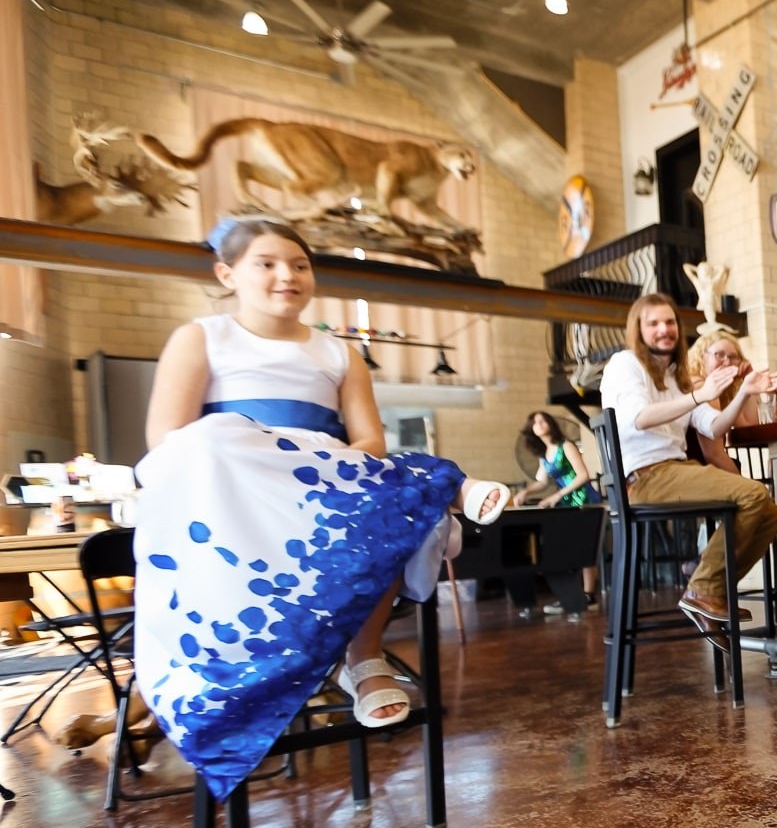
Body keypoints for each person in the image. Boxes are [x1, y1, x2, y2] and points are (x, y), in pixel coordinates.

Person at [135, 217, 508, 798]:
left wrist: (321, 464)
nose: (287, 275)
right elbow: (169, 437)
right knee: (212, 438)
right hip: (242, 493)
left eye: (300, 265)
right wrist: (263, 451)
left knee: (382, 504)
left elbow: (368, 441)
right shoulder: (202, 337)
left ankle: (365, 659)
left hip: (323, 484)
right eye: (267, 263)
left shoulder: (335, 351)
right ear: (227, 273)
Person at [598, 293, 777, 627]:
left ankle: (709, 594)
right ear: (637, 329)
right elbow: (640, 418)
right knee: (754, 495)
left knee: (770, 513)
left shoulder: (675, 376)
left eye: (669, 322)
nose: (663, 329)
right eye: (653, 323)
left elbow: (713, 426)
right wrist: (701, 394)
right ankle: (703, 590)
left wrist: (744, 391)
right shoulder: (625, 364)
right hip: (642, 477)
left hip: (674, 471)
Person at [510, 410, 599, 616]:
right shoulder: (544, 455)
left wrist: (556, 496)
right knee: (568, 549)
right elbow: (542, 482)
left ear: (551, 423)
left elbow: (583, 475)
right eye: (534, 422)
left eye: (542, 420)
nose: (539, 424)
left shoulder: (565, 445)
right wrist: (526, 492)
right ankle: (573, 596)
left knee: (584, 548)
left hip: (581, 499)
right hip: (565, 502)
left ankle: (588, 595)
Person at [682, 330, 777, 474]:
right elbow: (714, 456)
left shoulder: (717, 393)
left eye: (733, 357)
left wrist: (747, 381)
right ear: (701, 356)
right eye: (719, 354)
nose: (727, 362)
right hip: (698, 473)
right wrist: (747, 486)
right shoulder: (703, 389)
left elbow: (748, 426)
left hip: (698, 470)